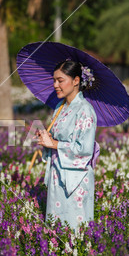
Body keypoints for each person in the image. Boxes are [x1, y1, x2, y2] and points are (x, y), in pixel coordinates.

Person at [35, 60, 98, 230]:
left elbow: (84, 150)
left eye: (60, 80)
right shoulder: (60, 107)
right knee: (56, 227)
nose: (55, 85)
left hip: (75, 180)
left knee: (74, 227)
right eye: (54, 80)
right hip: (58, 174)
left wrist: (54, 143)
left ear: (76, 80)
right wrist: (47, 139)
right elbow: (57, 140)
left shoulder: (85, 110)